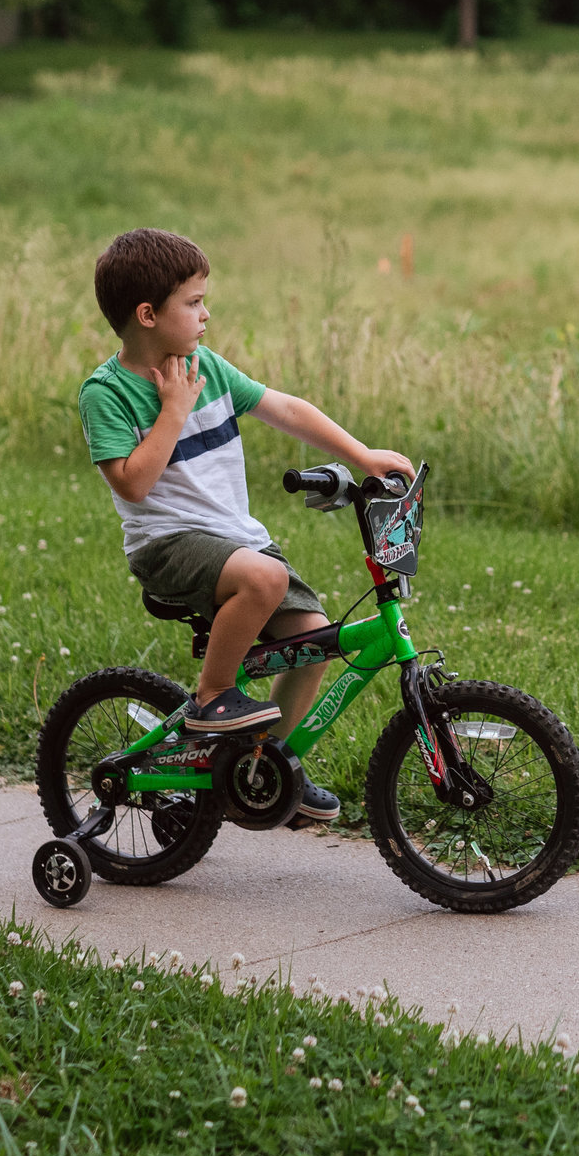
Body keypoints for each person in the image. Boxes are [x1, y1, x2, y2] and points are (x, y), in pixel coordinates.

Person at [78, 227, 412, 826]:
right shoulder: (106, 393)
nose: (207, 314)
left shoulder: (204, 366)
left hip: (237, 538)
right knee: (261, 579)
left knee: (313, 643)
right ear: (148, 314)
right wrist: (174, 412)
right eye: (195, 302)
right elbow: (132, 483)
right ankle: (212, 699)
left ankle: (265, 766)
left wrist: (362, 456)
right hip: (169, 543)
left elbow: (283, 407)